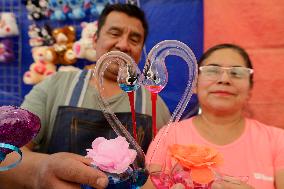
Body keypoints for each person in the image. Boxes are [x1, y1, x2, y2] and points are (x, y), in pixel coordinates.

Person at [0, 3, 170, 189]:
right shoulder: (55, 86)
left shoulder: (154, 104)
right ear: (95, 39)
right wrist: (40, 171)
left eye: (135, 39)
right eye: (114, 33)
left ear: (141, 50)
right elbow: (5, 153)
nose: (123, 45)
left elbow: (164, 167)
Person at [142, 44, 284, 189]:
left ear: (250, 89)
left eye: (237, 73)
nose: (224, 79)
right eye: (212, 71)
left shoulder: (278, 141)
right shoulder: (169, 135)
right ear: (195, 84)